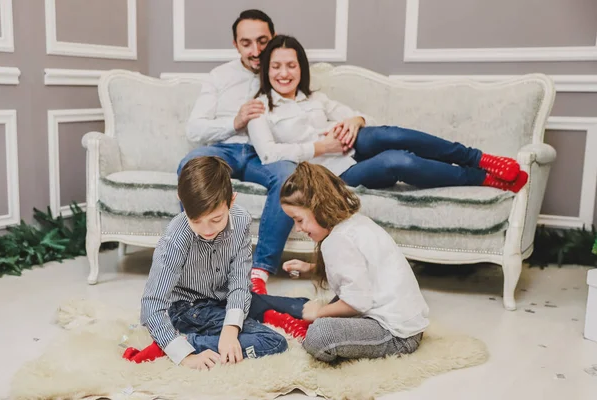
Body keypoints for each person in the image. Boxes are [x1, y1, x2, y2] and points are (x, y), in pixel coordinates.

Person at [247, 35, 529, 193]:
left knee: (389, 134)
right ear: (267, 70)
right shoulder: (259, 108)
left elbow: (361, 116)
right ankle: (480, 178)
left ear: (301, 68)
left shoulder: (316, 98)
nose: (284, 74)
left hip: (350, 150)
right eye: (276, 67)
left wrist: (355, 121)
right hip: (334, 175)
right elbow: (269, 155)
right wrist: (321, 146)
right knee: (398, 159)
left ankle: (479, 158)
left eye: (291, 66)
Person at [124, 157, 311, 368]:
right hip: (189, 309)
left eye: (216, 219)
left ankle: (270, 315)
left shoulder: (241, 220)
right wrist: (185, 355)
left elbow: (240, 282)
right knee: (272, 342)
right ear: (181, 201)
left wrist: (230, 329)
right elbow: (152, 305)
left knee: (301, 305)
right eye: (196, 221)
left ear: (231, 201)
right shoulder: (175, 238)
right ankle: (182, 343)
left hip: (223, 297)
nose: (206, 230)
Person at [179, 10, 293, 295]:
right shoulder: (220, 76)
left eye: (262, 41)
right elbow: (194, 129)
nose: (255, 51)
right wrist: (236, 121)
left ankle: (259, 272)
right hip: (223, 149)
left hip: (262, 154)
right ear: (235, 44)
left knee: (291, 175)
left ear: (274, 37)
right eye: (246, 43)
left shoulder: (284, 69)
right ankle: (204, 262)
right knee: (190, 164)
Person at [280, 162, 429, 362]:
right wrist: (310, 269)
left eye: (299, 220)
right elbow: (358, 271)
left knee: (320, 334)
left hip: (395, 335)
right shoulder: (355, 223)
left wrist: (320, 312)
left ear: (319, 209)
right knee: (332, 309)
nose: (297, 229)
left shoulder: (337, 241)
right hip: (408, 323)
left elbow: (357, 303)